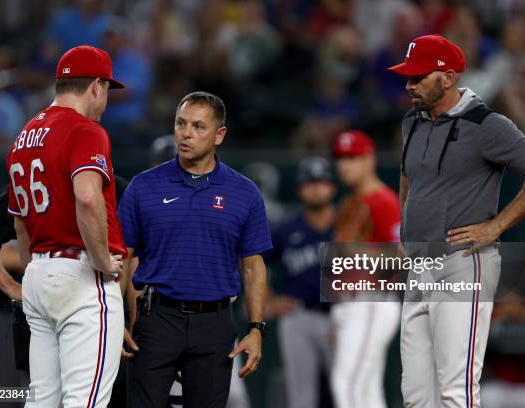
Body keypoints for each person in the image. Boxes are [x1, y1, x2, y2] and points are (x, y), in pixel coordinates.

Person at [387, 34, 525, 407]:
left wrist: (496, 226)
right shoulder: (412, 122)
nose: (409, 85)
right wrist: (407, 228)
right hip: (421, 262)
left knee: (455, 389)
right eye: (408, 76)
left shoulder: (487, 124)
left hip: (462, 261)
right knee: (415, 394)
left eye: (419, 76)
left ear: (448, 77)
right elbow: (408, 177)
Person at [118, 91, 271, 408]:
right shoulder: (143, 186)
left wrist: (256, 329)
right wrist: (114, 320)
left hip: (214, 324)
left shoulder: (244, 192)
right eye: (180, 123)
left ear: (220, 135)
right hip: (156, 319)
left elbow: (253, 265)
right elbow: (121, 257)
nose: (186, 134)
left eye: (198, 127)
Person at [5, 45, 127, 407]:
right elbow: (87, 197)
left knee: (42, 400)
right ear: (96, 87)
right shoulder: (86, 130)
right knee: (83, 402)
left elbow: (20, 224)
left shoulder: (23, 137)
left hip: (38, 273)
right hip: (81, 273)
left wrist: (38, 272)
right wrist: (103, 260)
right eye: (106, 89)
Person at [330, 130, 401, 408]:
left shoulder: (384, 201)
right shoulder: (349, 202)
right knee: (367, 393)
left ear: (369, 159)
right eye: (340, 158)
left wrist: (355, 251)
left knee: (347, 386)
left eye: (352, 158)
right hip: (348, 304)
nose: (344, 166)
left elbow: (401, 259)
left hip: (371, 302)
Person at [266, 156, 336, 408]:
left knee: (347, 392)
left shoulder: (347, 225)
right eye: (309, 182)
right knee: (301, 398)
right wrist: (268, 298)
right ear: (300, 189)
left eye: (321, 181)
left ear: (332, 187)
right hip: (299, 316)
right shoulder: (285, 228)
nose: (315, 188)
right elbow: (253, 262)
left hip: (339, 317)